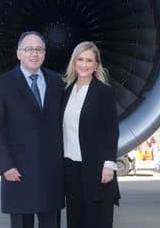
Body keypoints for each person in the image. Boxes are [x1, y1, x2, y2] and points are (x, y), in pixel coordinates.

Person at [0, 31, 64, 228]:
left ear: (45, 54)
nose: (34, 54)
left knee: (51, 223)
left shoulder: (57, 81)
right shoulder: (1, 84)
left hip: (51, 172)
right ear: (18, 53)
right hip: (18, 170)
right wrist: (5, 165)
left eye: (39, 49)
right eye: (28, 49)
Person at [62, 41, 120, 228]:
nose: (84, 64)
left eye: (89, 60)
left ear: (96, 65)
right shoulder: (67, 91)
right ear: (74, 62)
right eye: (80, 59)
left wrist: (109, 164)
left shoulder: (104, 92)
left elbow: (112, 131)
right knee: (75, 219)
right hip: (71, 167)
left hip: (97, 169)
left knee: (97, 219)